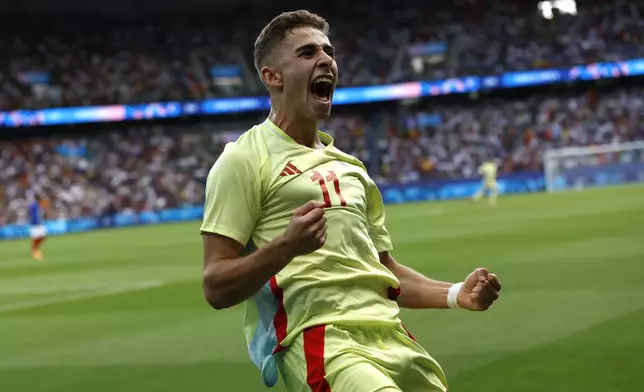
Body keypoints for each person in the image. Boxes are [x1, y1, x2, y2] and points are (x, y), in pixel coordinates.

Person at [200, 10, 502, 391]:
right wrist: (286, 247)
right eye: (307, 53)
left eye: (328, 51)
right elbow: (215, 285)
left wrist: (457, 293)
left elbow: (383, 271)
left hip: (391, 335)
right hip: (322, 342)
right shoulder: (243, 160)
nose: (326, 59)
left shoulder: (352, 169)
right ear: (271, 77)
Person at [29, 194, 48, 260]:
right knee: (36, 237)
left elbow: (40, 214)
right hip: (35, 224)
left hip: (39, 223)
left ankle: (35, 249)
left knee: (43, 236)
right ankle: (34, 250)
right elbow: (33, 215)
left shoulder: (38, 205)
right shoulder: (33, 205)